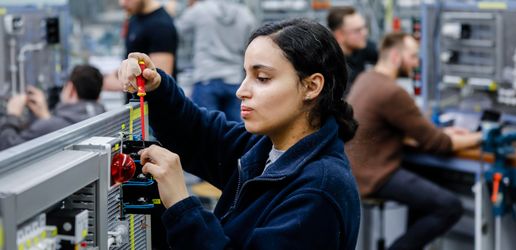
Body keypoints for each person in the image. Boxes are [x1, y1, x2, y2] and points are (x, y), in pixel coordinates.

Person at [118, 19, 360, 249]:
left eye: (262, 78)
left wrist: (181, 206)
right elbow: (199, 134)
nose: (241, 91)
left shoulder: (318, 192)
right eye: (245, 75)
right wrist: (156, 87)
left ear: (311, 86)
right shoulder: (266, 150)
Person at [345, 32, 482, 250]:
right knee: (449, 206)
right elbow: (439, 144)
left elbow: (405, 128)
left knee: (427, 179)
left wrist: (442, 131)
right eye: (413, 56)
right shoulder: (391, 92)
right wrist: (482, 136)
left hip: (355, 170)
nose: (416, 63)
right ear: (395, 57)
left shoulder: (367, 78)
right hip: (374, 176)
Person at [176, 0, 256, 122]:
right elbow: (252, 46)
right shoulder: (246, 14)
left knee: (205, 130)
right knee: (236, 133)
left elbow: (177, 29)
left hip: (206, 78)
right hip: (235, 80)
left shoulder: (200, 10)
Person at [0, 65, 105, 150]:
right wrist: (45, 116)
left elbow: (8, 146)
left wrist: (12, 114)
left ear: (70, 88)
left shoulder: (51, 126)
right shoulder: (102, 116)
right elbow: (55, 127)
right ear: (98, 95)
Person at [104, 0, 178, 91]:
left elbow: (160, 82)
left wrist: (119, 83)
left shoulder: (161, 26)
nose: (122, 3)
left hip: (152, 104)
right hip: (135, 102)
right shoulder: (134, 19)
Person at [327, 6, 378, 85]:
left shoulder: (362, 46)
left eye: (364, 27)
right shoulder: (331, 66)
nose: (365, 33)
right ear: (339, 35)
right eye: (357, 30)